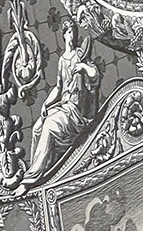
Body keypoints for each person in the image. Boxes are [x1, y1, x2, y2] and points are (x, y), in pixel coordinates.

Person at [21, 18, 100, 186]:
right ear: (64, 35)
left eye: (74, 32)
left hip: (76, 111)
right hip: (63, 106)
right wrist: (46, 104)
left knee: (49, 125)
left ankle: (31, 179)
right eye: (69, 32)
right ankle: (38, 169)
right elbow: (58, 88)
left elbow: (95, 75)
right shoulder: (62, 60)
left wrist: (84, 67)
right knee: (37, 128)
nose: (72, 35)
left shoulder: (80, 55)